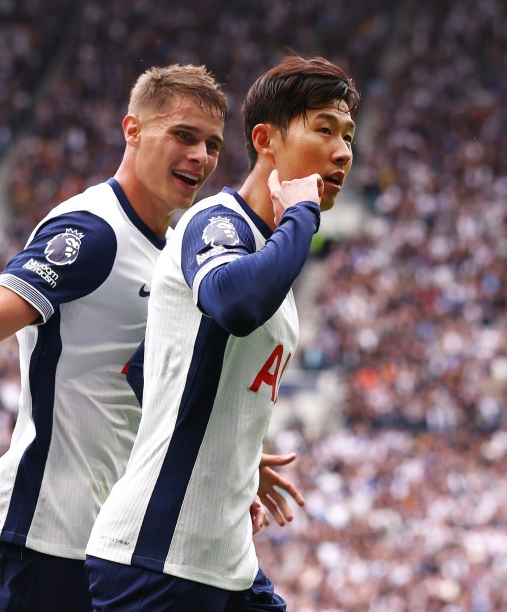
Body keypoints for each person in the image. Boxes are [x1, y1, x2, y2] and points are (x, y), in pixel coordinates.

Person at [0, 64, 305, 611]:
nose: (201, 157)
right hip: (48, 534)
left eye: (212, 144)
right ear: (133, 130)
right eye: (183, 136)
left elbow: (146, 382)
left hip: (124, 542)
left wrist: (231, 458)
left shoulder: (177, 252)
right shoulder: (94, 234)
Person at [84, 54, 360, 611]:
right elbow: (233, 304)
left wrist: (227, 454)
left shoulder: (271, 261)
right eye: (324, 129)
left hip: (224, 562)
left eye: (349, 136)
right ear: (265, 139)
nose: (343, 152)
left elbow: (147, 369)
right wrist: (301, 216)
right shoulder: (217, 223)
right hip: (155, 564)